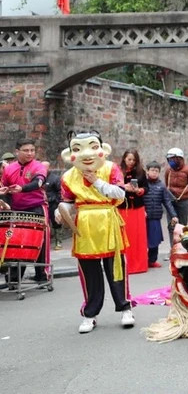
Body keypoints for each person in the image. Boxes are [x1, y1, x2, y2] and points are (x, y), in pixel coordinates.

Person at [56, 131, 133, 334]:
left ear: (102, 150)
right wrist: (60, 211)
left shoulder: (110, 168)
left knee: (115, 266)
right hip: (84, 224)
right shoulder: (68, 176)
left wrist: (97, 182)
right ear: (69, 154)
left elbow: (120, 193)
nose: (86, 154)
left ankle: (125, 308)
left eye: (92, 146)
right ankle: (90, 313)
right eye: (78, 149)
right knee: (89, 271)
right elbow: (68, 201)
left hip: (108, 219)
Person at [0, 138, 48, 284]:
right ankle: (14, 279)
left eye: (32, 150)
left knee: (40, 241)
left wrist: (22, 188)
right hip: (17, 209)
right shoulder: (9, 168)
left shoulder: (38, 166)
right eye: (26, 150)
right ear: (17, 152)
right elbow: (5, 187)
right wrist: (3, 192)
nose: (30, 153)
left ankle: (42, 275)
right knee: (15, 241)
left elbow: (38, 182)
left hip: (36, 207)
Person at [118, 149, 149, 274]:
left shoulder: (141, 172)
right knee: (124, 236)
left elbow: (146, 188)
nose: (131, 162)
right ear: (124, 158)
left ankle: (139, 265)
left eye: (134, 160)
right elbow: (112, 186)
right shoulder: (118, 172)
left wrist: (139, 190)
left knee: (138, 237)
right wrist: (123, 187)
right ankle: (124, 265)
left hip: (137, 208)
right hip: (123, 207)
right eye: (129, 159)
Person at [142, 161, 177, 268]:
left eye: (156, 171)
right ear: (147, 171)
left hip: (155, 218)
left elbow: (167, 202)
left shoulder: (161, 186)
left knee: (154, 240)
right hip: (143, 218)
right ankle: (142, 261)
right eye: (152, 170)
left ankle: (152, 260)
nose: (154, 173)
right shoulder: (142, 185)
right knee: (142, 241)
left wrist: (174, 215)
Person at [163, 147, 188, 246]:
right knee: (171, 225)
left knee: (182, 226)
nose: (171, 161)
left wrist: (186, 195)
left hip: (183, 202)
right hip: (171, 202)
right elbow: (166, 184)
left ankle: (182, 247)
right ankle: (172, 248)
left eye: (173, 159)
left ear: (180, 158)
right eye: (169, 159)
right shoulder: (168, 171)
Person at [43, 161, 64, 251]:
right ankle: (44, 242)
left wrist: (57, 202)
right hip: (42, 204)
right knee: (44, 223)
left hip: (53, 204)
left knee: (56, 223)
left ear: (49, 168)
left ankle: (58, 241)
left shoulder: (55, 178)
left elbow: (60, 191)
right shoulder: (39, 178)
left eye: (45, 167)